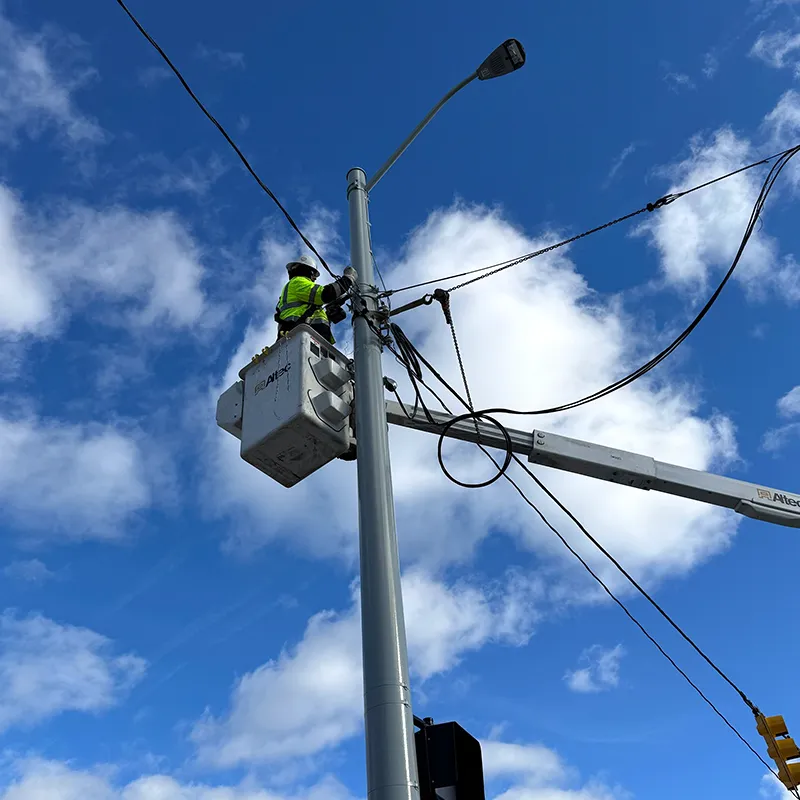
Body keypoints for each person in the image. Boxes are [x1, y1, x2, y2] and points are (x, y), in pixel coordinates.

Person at [274, 255, 357, 345]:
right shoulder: (298, 282)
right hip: (303, 336)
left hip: (304, 337)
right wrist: (348, 279)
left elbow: (305, 313)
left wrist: (327, 314)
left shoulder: (293, 289)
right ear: (307, 270)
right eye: (313, 274)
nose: (315, 278)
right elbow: (326, 294)